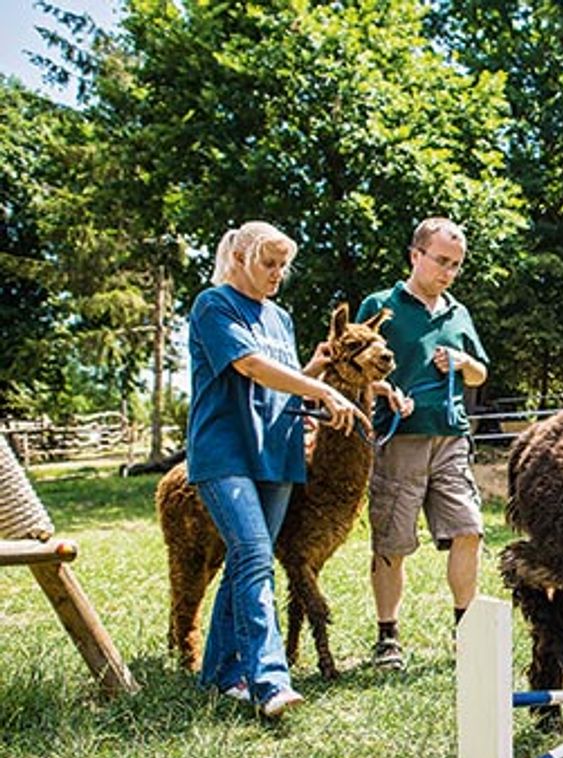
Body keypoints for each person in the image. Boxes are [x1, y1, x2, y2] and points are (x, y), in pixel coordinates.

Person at [187, 221, 369, 717]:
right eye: (269, 263)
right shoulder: (214, 305)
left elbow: (278, 385)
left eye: (283, 267)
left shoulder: (280, 319)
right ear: (242, 256)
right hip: (226, 453)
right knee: (253, 556)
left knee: (245, 565)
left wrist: (314, 377)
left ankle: (219, 676)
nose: (277, 274)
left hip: (278, 454)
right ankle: (268, 680)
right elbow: (248, 367)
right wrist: (322, 389)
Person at [357, 217, 489, 671]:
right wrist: (387, 391)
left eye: (456, 265)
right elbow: (354, 368)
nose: (449, 273)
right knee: (392, 541)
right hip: (399, 440)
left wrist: (462, 359)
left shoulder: (459, 313)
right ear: (416, 255)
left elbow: (480, 374)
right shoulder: (381, 305)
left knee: (469, 530)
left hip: (451, 439)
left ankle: (467, 634)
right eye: (441, 261)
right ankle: (387, 637)